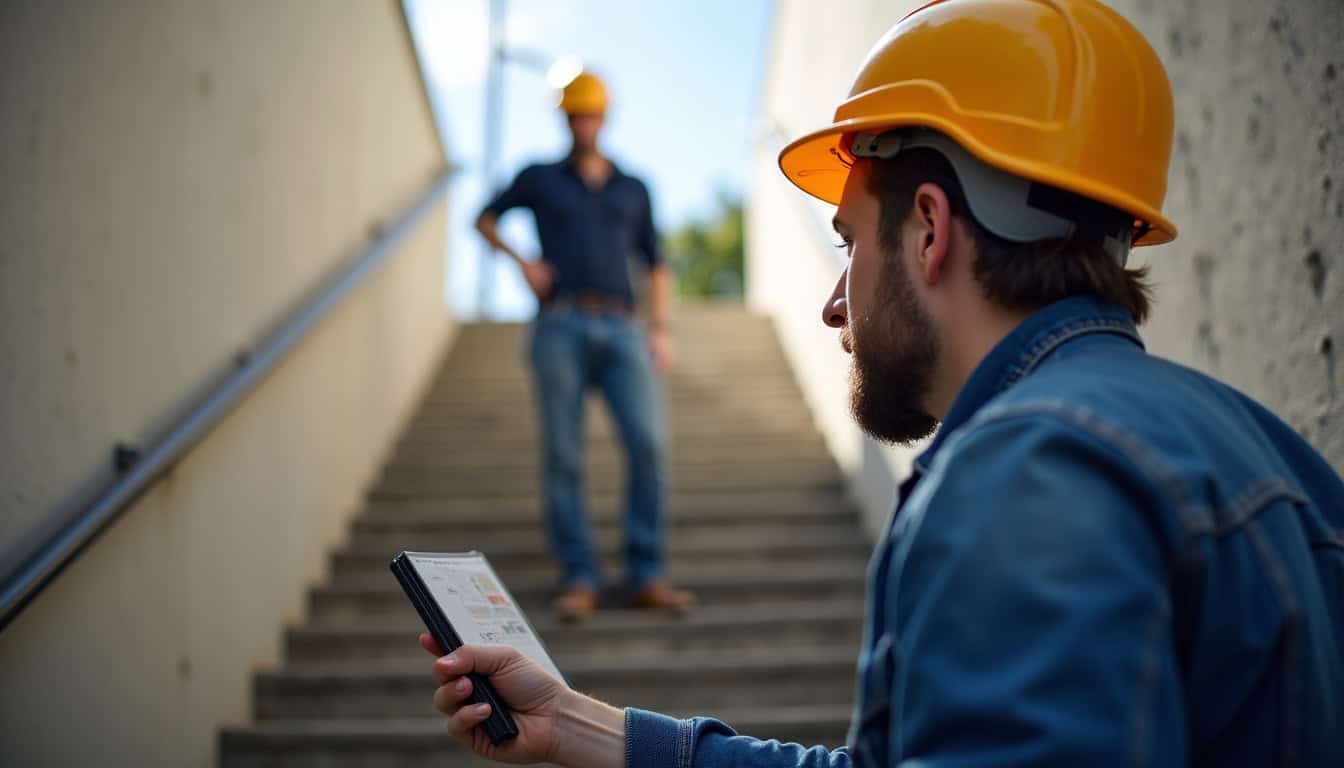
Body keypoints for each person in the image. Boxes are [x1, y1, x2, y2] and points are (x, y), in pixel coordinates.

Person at [429, 2, 1344, 765]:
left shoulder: (1022, 475)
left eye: (849, 241)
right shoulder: (1273, 452)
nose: (834, 303)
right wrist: (580, 725)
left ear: (931, 229)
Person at [474, 70, 695, 622]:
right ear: (565, 119)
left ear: (605, 117)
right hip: (559, 327)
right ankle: (579, 576)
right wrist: (523, 262)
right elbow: (483, 218)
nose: (584, 123)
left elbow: (657, 262)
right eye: (575, 114)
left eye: (591, 113)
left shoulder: (633, 186)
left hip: (624, 327)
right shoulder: (539, 176)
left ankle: (646, 573)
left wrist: (660, 329)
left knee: (648, 446)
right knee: (564, 456)